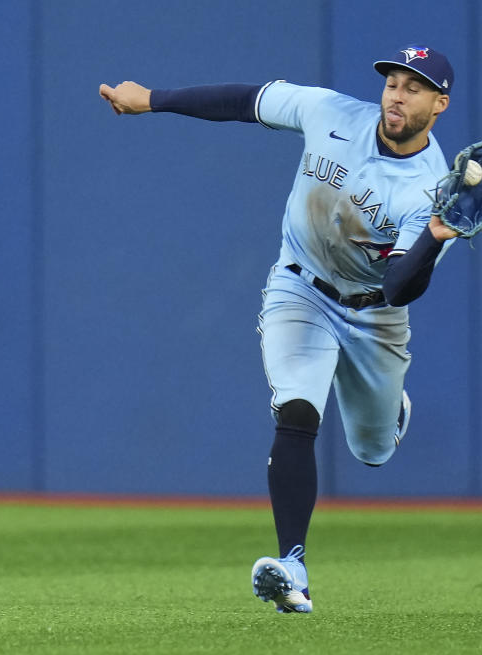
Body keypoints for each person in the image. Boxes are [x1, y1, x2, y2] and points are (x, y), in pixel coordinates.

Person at [99, 45, 460, 614]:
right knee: (297, 411)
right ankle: (293, 565)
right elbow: (246, 101)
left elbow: (398, 288)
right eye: (392, 81)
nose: (396, 94)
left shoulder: (432, 190)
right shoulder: (331, 112)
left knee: (372, 451)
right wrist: (153, 101)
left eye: (413, 87)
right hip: (300, 286)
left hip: (375, 315)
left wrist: (435, 236)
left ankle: (389, 417)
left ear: (438, 104)